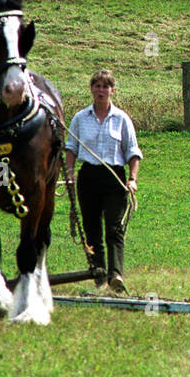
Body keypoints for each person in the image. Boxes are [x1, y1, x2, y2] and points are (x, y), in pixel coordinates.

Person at [64, 70, 142, 293]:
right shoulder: (80, 118)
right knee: (92, 230)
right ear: (91, 89)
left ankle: (115, 274)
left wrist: (132, 179)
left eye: (105, 86)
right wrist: (70, 172)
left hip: (114, 178)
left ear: (112, 91)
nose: (101, 90)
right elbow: (71, 147)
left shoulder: (122, 119)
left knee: (114, 228)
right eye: (97, 86)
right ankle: (99, 275)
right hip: (88, 178)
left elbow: (133, 152)